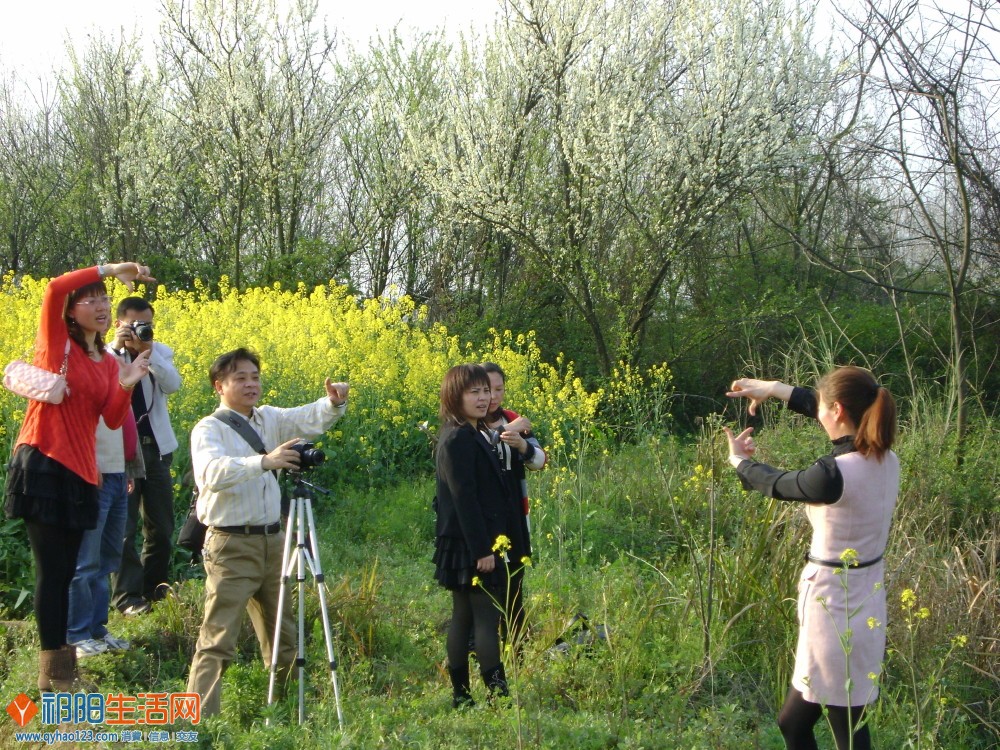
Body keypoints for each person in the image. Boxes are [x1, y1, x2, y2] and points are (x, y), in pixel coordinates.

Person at [723, 366, 899, 750]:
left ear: (836, 410)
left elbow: (777, 484)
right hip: (865, 597)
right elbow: (817, 403)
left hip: (834, 606)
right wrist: (772, 389)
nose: (815, 409)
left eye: (823, 405)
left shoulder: (833, 474)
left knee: (846, 732)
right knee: (800, 723)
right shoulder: (886, 459)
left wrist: (739, 461)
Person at [4, 263, 154, 691]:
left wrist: (125, 383)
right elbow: (54, 286)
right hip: (46, 464)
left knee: (69, 568)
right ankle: (55, 674)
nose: (103, 305)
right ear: (71, 311)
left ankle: (65, 668)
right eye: (92, 298)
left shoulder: (106, 361)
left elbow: (109, 418)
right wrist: (110, 268)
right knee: (52, 572)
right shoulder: (56, 345)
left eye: (106, 298)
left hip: (82, 473)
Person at [185, 347, 348, 717]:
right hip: (231, 543)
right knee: (218, 639)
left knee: (282, 632)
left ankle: (287, 709)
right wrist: (264, 461)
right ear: (219, 386)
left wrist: (332, 403)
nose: (250, 384)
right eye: (239, 378)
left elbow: (307, 419)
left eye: (254, 377)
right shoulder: (208, 428)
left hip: (275, 540)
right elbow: (212, 473)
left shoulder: (269, 418)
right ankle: (196, 721)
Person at [433, 364, 531, 708]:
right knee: (485, 617)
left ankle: (462, 695)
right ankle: (498, 696)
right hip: (471, 544)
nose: (484, 398)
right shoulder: (459, 438)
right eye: (474, 392)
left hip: (467, 541)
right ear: (454, 395)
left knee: (463, 616)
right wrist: (482, 550)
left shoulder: (468, 431)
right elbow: (464, 499)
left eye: (486, 391)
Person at [110, 297, 181, 615]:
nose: (141, 330)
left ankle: (155, 590)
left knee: (161, 527)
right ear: (118, 324)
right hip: (120, 450)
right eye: (134, 324)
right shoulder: (104, 356)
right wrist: (117, 349)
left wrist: (148, 354)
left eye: (147, 324)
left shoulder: (159, 351)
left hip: (156, 448)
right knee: (123, 528)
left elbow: (173, 384)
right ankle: (126, 597)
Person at [66, 410, 144, 657]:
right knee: (86, 562)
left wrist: (129, 468)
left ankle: (97, 629)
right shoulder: (91, 374)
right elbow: (77, 423)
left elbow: (124, 426)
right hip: (94, 474)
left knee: (107, 560)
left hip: (119, 473)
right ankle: (76, 635)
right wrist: (88, 463)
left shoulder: (118, 374)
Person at [481, 362, 545, 647]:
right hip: (483, 514)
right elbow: (478, 454)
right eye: (486, 389)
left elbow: (540, 461)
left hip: (514, 511)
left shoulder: (513, 418)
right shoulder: (469, 421)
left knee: (515, 575)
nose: (493, 396)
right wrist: (508, 430)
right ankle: (485, 641)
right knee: (488, 578)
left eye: (498, 389)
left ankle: (517, 641)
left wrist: (521, 444)